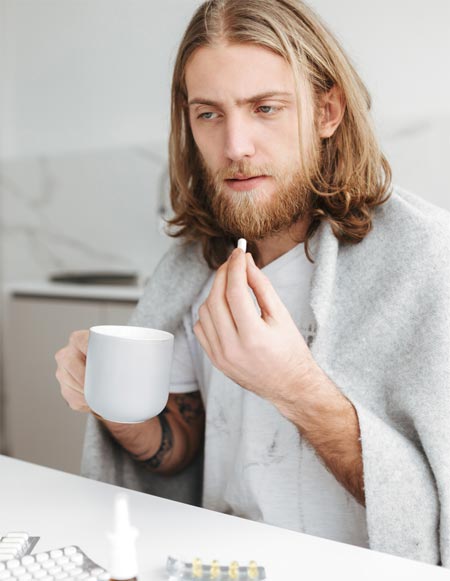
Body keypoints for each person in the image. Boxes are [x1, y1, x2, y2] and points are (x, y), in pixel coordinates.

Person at [54, 0, 450, 567]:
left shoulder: (429, 261)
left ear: (327, 111)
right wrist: (122, 411)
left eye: (265, 107)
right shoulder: (191, 269)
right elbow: (181, 449)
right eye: (209, 114)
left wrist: (293, 386)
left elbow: (434, 511)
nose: (235, 146)